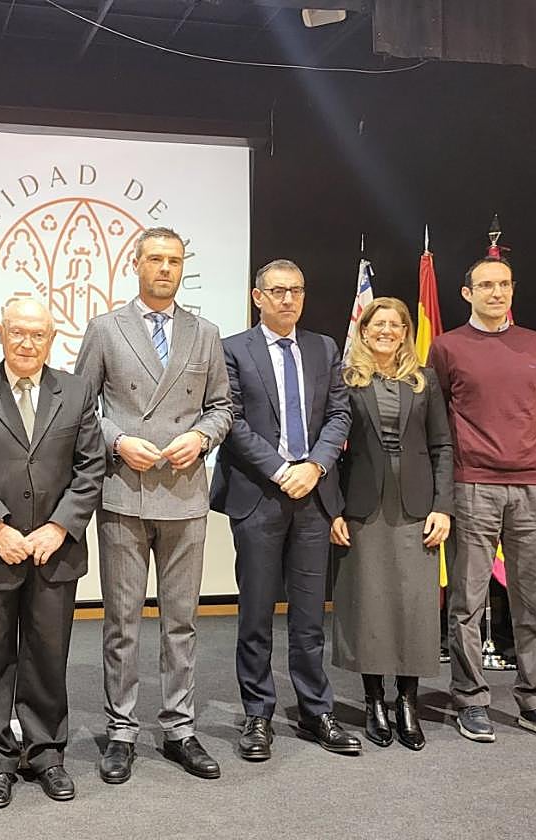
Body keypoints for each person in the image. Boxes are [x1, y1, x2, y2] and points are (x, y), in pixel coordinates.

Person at [75, 226, 232, 784]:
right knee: (122, 621)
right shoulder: (105, 329)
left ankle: (179, 728)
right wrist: (117, 440)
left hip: (185, 493)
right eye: (156, 260)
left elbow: (221, 406)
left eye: (174, 261)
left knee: (182, 621)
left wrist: (204, 437)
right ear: (135, 264)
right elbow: (80, 405)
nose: (165, 269)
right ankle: (121, 731)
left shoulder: (204, 332)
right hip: (124, 490)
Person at [0, 298, 104, 809]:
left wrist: (60, 527)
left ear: (52, 337)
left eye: (38, 334)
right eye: (18, 333)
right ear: (1, 332)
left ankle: (47, 754)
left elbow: (90, 467)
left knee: (47, 655)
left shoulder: (76, 393)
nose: (27, 343)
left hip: (54, 552)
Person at [211, 258, 357, 760]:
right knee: (255, 612)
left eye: (296, 290)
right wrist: (280, 469)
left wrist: (314, 467)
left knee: (311, 614)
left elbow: (340, 413)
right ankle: (257, 715)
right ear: (258, 297)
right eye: (277, 291)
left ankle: (317, 711)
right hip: (259, 494)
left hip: (313, 495)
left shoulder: (323, 347)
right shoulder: (231, 349)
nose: (288, 300)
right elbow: (228, 420)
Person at [428, 257, 536, 746]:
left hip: (534, 485)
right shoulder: (447, 347)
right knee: (467, 603)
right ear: (466, 293)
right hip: (474, 485)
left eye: (505, 285)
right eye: (486, 285)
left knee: (532, 600)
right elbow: (440, 418)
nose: (497, 292)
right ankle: (469, 700)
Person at [329, 297, 453, 751]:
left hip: (417, 509)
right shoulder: (345, 381)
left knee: (414, 606)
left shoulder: (426, 382)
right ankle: (373, 700)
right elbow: (331, 449)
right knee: (370, 604)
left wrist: (444, 506)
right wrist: (334, 510)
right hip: (363, 509)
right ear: (364, 331)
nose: (386, 330)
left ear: (405, 332)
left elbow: (442, 447)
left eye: (395, 324)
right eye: (378, 324)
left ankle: (408, 701)